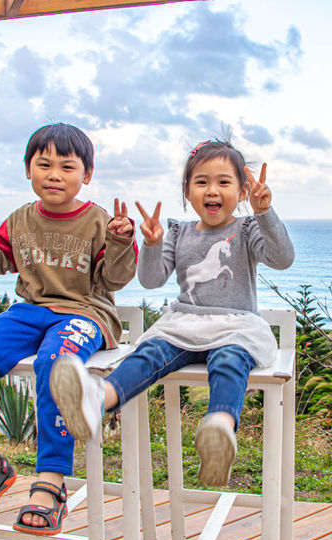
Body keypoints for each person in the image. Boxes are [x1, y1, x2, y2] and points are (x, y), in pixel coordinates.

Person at [51, 138, 294, 487]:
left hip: (234, 325)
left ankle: (219, 430)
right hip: (184, 323)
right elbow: (151, 280)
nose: (212, 190)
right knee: (149, 352)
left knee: (229, 360)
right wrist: (151, 244)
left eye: (224, 182)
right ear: (187, 191)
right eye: (202, 182)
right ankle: (97, 399)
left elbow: (283, 258)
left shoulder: (246, 229)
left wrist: (264, 212)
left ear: (243, 192)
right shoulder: (177, 231)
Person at [0, 122, 137, 536]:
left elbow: (116, 279)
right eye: (44, 164)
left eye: (67, 167)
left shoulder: (99, 220)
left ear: (86, 175)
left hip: (86, 314)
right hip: (30, 311)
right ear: (27, 169)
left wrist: (121, 241)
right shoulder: (19, 220)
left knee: (57, 361)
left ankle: (52, 480)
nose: (54, 174)